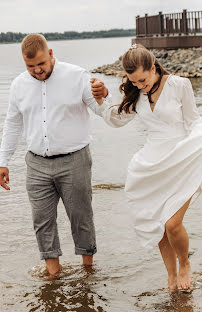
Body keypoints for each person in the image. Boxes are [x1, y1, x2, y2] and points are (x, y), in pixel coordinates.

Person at [91, 44, 202, 292]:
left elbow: (194, 122)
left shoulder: (179, 85)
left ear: (153, 68)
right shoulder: (137, 94)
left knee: (172, 224)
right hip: (152, 166)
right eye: (134, 82)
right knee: (158, 225)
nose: (140, 85)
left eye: (142, 79)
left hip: (181, 163)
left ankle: (185, 263)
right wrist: (101, 101)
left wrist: (200, 145)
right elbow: (116, 119)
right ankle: (171, 276)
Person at [0, 34, 108, 279]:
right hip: (36, 163)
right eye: (30, 66)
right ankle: (53, 274)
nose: (37, 70)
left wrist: (104, 95)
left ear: (50, 54)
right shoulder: (19, 85)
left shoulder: (77, 76)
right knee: (42, 220)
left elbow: (103, 111)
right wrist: (3, 161)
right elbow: (13, 124)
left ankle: (88, 270)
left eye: (41, 64)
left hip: (75, 161)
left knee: (81, 217)